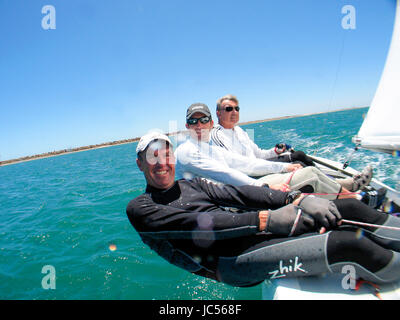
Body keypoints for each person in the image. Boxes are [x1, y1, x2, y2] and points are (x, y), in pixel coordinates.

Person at [126, 132, 400, 287]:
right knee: (348, 243)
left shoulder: (193, 185)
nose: (161, 162)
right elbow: (200, 223)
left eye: (166, 154)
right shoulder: (140, 208)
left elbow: (241, 193)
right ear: (140, 164)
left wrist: (295, 199)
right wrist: (266, 220)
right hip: (231, 263)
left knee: (351, 207)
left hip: (253, 232)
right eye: (152, 156)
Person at [175, 103, 366, 200]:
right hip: (233, 200)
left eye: (202, 120)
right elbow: (226, 174)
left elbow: (245, 163)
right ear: (186, 126)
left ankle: (347, 186)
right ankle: (357, 199)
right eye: (193, 121)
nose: (198, 125)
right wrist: (264, 188)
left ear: (210, 123)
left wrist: (284, 168)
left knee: (305, 170)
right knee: (310, 175)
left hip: (241, 189)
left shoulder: (208, 147)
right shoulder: (186, 151)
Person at [211, 94, 373, 193]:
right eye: (228, 109)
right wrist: (282, 167)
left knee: (299, 156)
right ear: (218, 113)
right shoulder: (217, 135)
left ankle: (333, 182)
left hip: (258, 167)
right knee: (299, 166)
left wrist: (275, 151)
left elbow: (258, 154)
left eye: (236, 108)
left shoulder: (240, 131)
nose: (234, 112)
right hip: (250, 177)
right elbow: (240, 166)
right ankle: (347, 187)